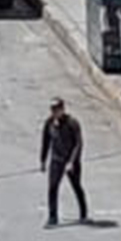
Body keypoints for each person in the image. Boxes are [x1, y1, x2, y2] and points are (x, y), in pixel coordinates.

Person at [40, 97, 88, 227]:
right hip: (56, 160)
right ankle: (52, 217)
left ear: (62, 109)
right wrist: (43, 160)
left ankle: (83, 213)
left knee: (76, 186)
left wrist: (72, 161)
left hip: (70, 161)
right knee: (52, 187)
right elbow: (45, 142)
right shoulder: (49, 123)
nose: (54, 112)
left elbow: (78, 143)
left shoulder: (72, 123)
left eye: (57, 109)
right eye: (52, 110)